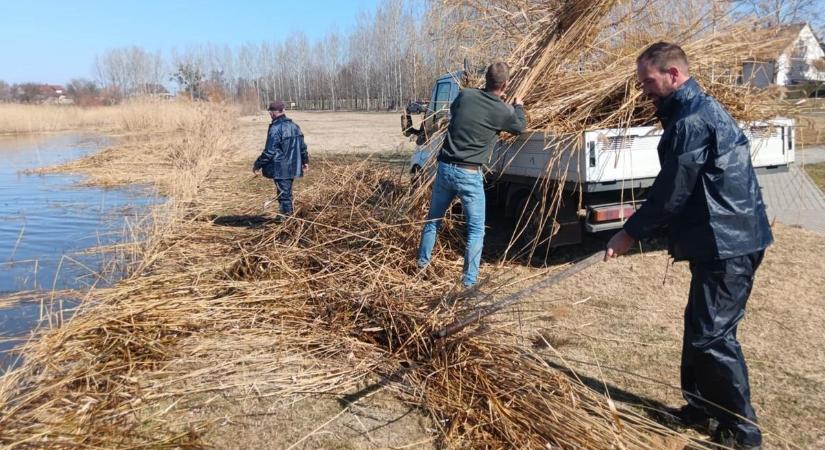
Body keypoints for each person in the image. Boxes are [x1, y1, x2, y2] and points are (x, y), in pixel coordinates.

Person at [604, 42, 772, 450]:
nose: (643, 89)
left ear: (674, 75)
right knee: (699, 327)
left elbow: (672, 191)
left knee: (712, 336)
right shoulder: (689, 112)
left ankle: (743, 431)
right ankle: (699, 408)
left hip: (728, 242)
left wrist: (630, 232)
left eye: (648, 81)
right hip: (719, 239)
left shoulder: (692, 120)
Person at [417, 62, 526, 287]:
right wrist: (518, 106)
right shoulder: (503, 111)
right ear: (505, 84)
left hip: (445, 168)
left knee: (433, 221)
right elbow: (519, 127)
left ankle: (422, 266)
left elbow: (457, 112)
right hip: (469, 174)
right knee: (476, 229)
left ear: (485, 79)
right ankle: (468, 283)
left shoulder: (465, 95)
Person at [253, 100, 309, 220]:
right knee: (286, 194)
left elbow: (269, 151)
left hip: (281, 167)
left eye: (270, 112)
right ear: (283, 111)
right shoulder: (294, 126)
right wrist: (305, 161)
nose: (270, 114)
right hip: (293, 166)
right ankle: (285, 218)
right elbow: (302, 146)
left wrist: (257, 164)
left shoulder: (275, 128)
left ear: (272, 113)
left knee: (284, 196)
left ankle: (287, 223)